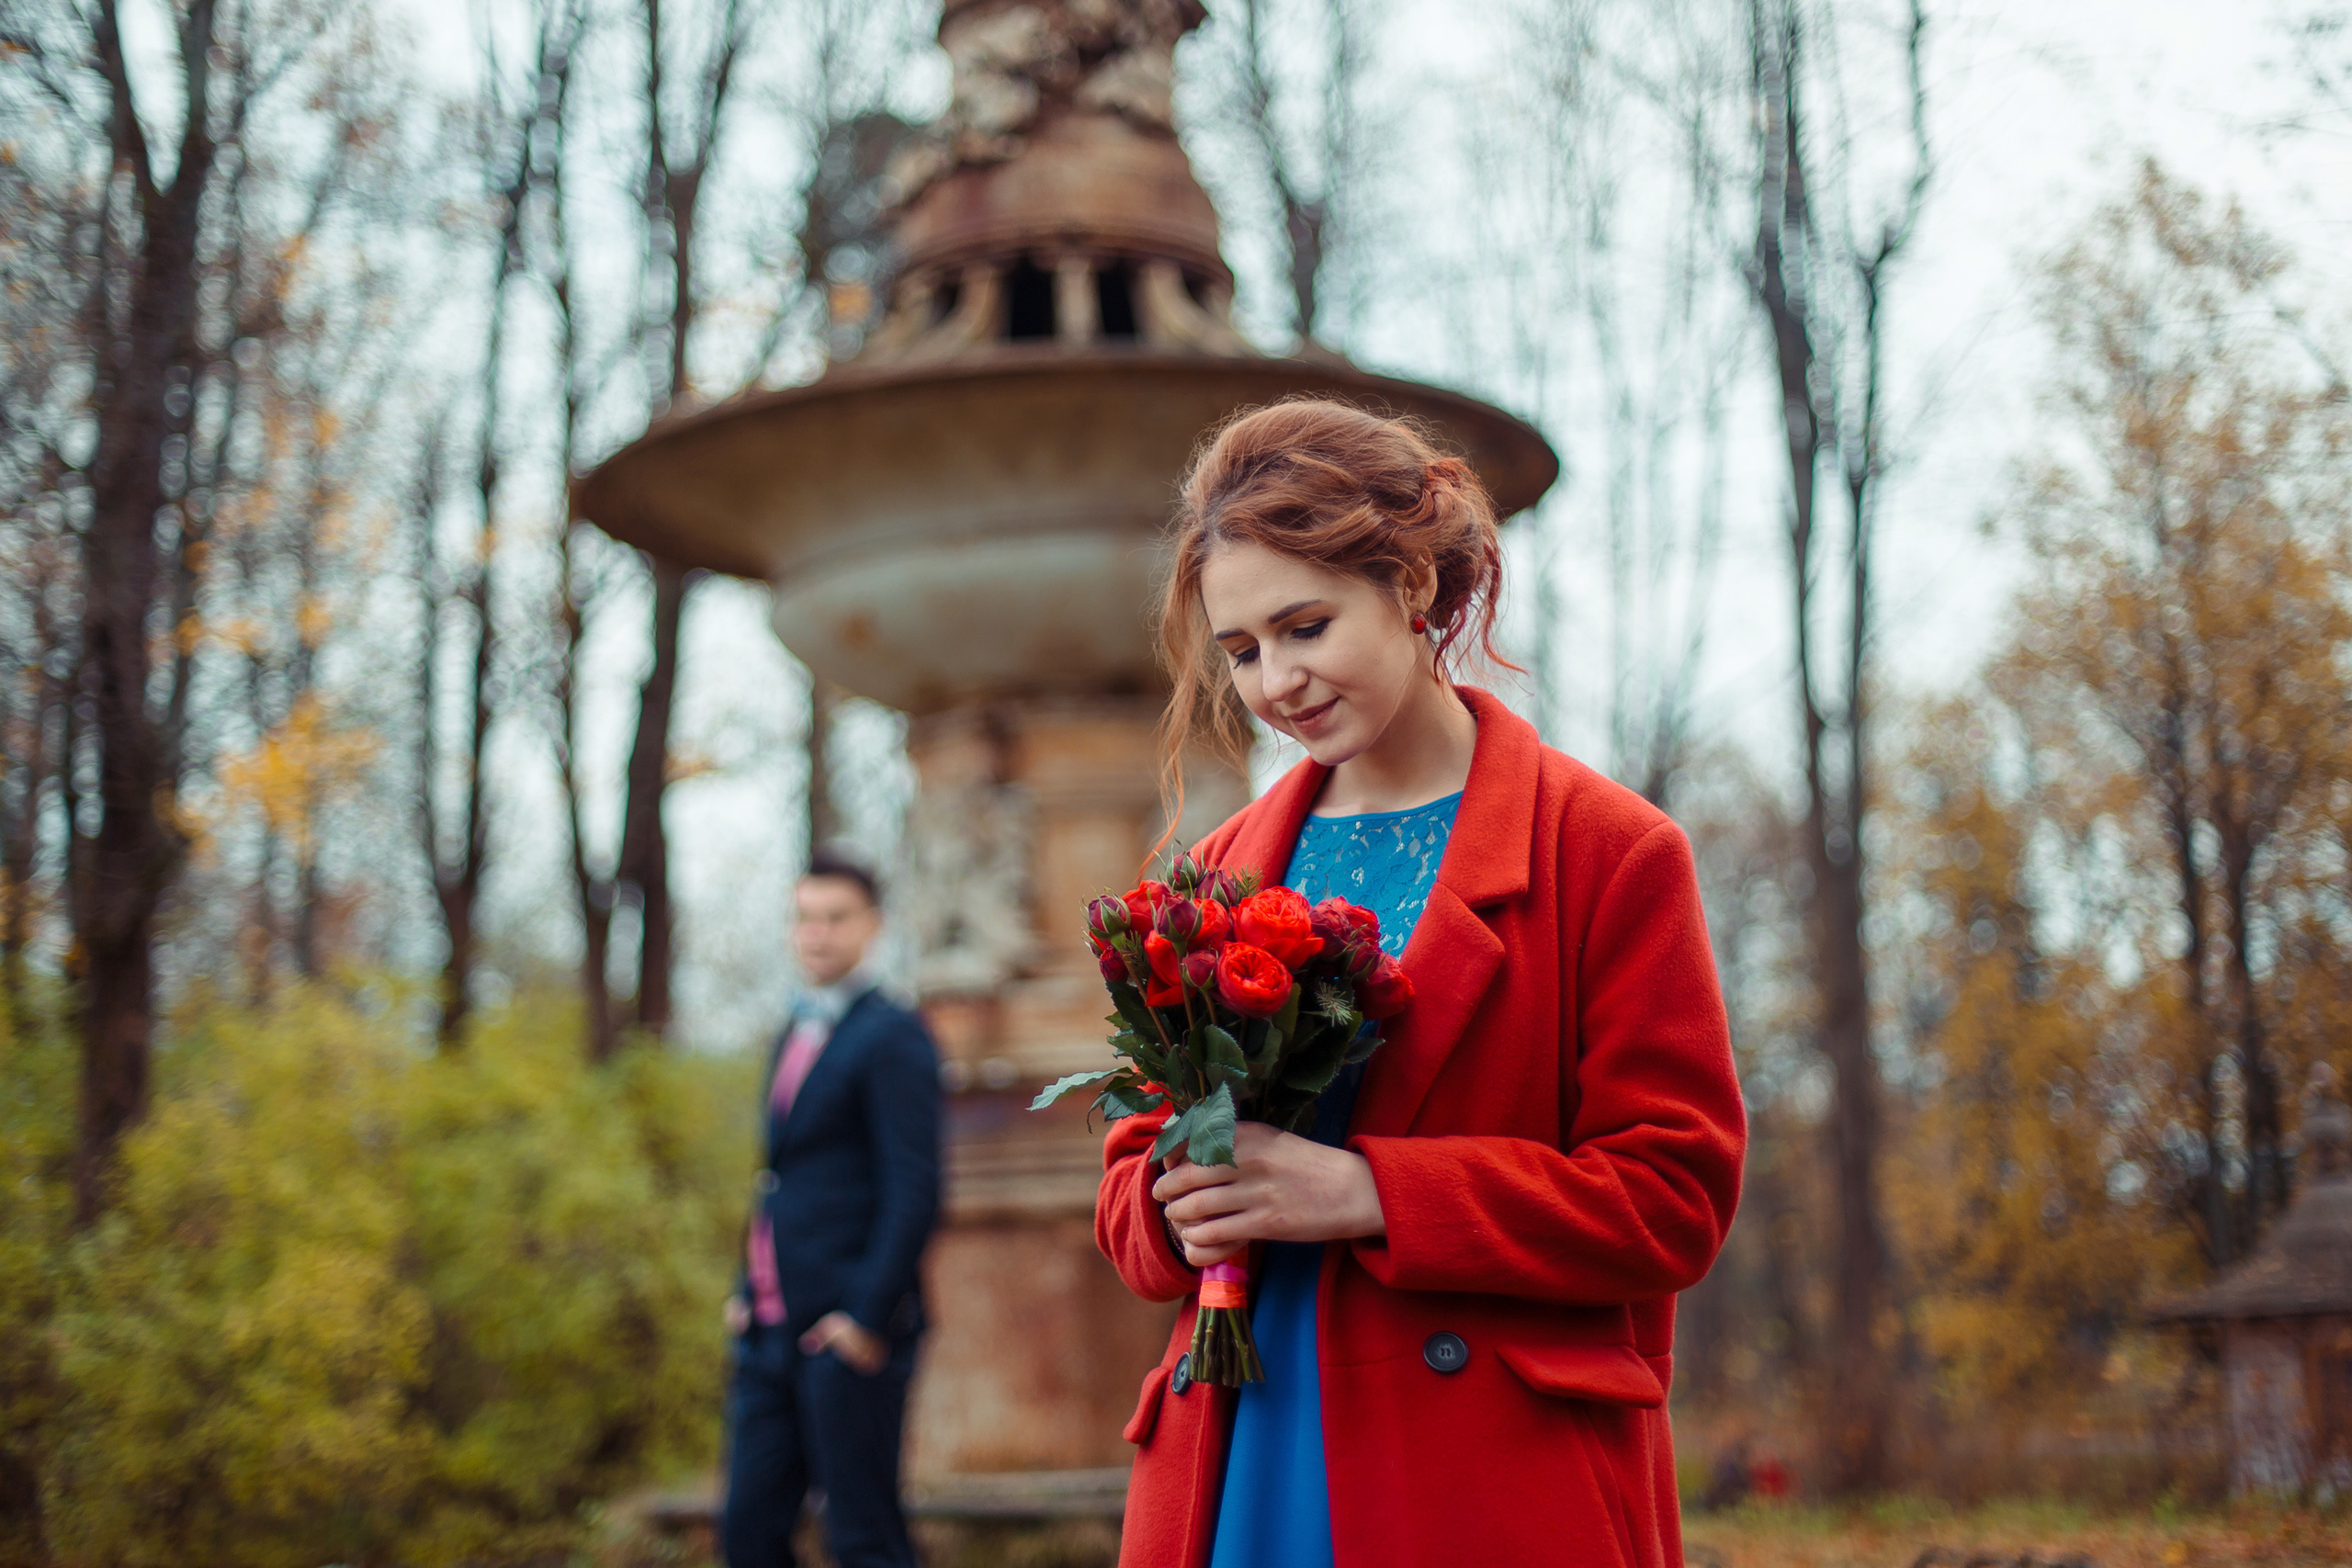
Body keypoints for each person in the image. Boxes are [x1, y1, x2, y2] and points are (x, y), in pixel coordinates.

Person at [1095, 400, 1747, 1568]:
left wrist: (1371, 1195)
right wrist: (1170, 1204)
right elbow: (1129, 1190)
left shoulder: (1605, 850)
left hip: (1484, 1475)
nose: (1277, 682)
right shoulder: (1214, 870)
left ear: (1408, 586)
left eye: (1305, 625)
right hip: (1240, 1448)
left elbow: (1671, 1198)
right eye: (1241, 650)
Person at [721, 851, 942, 1568]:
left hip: (845, 1332)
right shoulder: (795, 1028)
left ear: (872, 926)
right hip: (769, 1329)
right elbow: (779, 1177)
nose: (816, 932)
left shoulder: (894, 1033)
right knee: (748, 1536)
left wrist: (866, 1319)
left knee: (863, 1538)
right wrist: (742, 1291)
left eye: (835, 917)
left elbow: (915, 1187)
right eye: (805, 917)